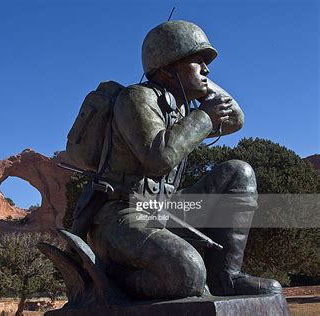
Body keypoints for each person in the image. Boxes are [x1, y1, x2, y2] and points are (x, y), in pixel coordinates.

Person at [82, 20, 282, 299]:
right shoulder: (136, 98)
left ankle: (226, 278)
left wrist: (199, 84)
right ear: (167, 66)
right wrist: (204, 116)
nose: (206, 69)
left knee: (239, 172)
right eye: (197, 61)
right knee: (187, 273)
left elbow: (236, 119)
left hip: (168, 208)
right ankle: (111, 275)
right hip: (121, 215)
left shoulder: (180, 108)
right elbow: (158, 157)